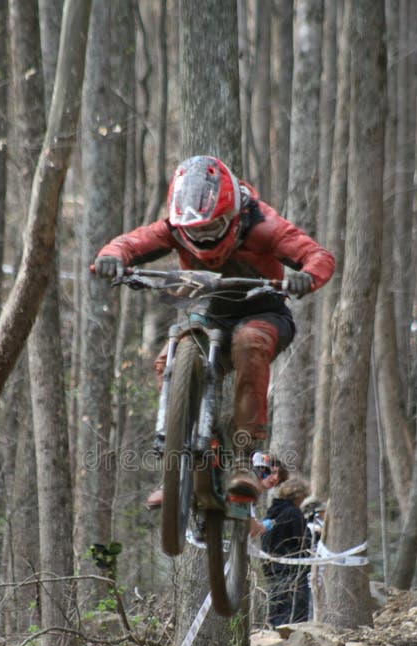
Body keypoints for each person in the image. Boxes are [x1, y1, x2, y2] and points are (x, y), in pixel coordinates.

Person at [92, 155, 334, 505]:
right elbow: (131, 242)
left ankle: (245, 458)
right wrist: (112, 256)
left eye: (211, 228)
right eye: (195, 232)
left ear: (233, 217)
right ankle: (178, 466)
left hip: (264, 311)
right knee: (169, 360)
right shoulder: (174, 229)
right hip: (209, 312)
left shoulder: (263, 224)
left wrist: (305, 277)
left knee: (249, 343)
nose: (203, 239)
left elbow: (318, 255)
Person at [259, 474, 311, 628]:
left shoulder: (272, 512)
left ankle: (275, 633)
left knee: (277, 607)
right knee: (294, 611)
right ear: (298, 496)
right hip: (291, 570)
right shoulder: (293, 513)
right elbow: (301, 540)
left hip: (271, 568)